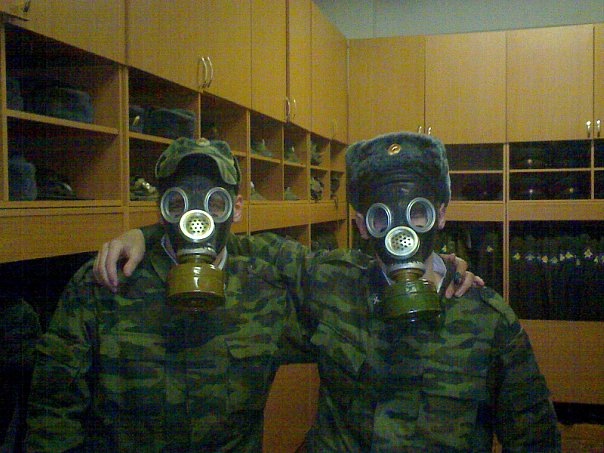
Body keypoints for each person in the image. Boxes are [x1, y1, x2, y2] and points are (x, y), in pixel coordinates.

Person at [92, 132, 560, 451]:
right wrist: (149, 234)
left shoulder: (488, 319)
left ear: (441, 214)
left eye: (417, 213)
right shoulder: (332, 281)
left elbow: (534, 439)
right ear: (361, 224)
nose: (401, 233)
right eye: (381, 216)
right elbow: (223, 239)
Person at [25, 138, 309, 452]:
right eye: (178, 204)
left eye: (215, 204)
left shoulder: (266, 289)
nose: (196, 219)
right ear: (161, 212)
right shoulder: (105, 284)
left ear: (237, 209)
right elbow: (52, 413)